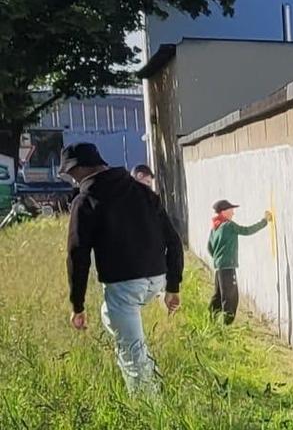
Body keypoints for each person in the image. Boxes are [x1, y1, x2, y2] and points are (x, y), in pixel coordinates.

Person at [62, 141, 184, 396]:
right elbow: (173, 240)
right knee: (112, 318)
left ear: (80, 169)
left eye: (71, 174)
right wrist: (172, 287)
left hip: (125, 285)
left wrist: (78, 305)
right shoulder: (142, 191)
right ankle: (152, 376)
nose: (72, 180)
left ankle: (149, 410)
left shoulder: (86, 201)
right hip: (157, 279)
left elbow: (78, 256)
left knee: (131, 354)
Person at [205, 199, 271, 323]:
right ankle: (226, 326)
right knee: (231, 298)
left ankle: (210, 321)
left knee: (218, 297)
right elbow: (246, 231)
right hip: (228, 268)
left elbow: (209, 247)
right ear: (224, 211)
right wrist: (264, 221)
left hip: (219, 268)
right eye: (231, 210)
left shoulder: (215, 227)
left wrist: (218, 258)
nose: (233, 213)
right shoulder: (229, 225)